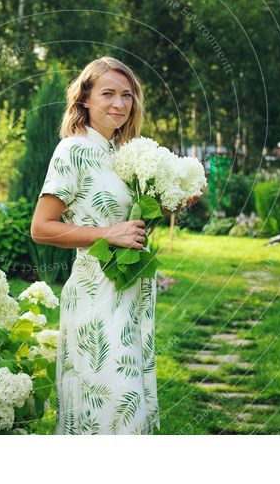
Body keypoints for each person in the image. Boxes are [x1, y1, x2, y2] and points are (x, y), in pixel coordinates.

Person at [31, 56, 199, 434]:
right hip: (95, 296)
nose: (119, 104)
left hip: (131, 295)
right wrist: (107, 234)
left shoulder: (121, 155)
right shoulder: (72, 150)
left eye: (127, 95)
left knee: (126, 408)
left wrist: (166, 204)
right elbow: (41, 228)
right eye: (108, 93)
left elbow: (127, 229)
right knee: (111, 407)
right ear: (85, 99)